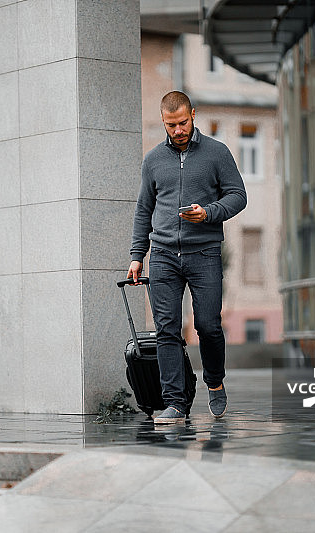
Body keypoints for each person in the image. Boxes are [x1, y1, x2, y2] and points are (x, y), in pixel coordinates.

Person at [127, 91, 246, 424]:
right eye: (170, 124)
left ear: (192, 115)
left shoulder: (216, 153)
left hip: (204, 253)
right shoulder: (152, 160)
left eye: (182, 122)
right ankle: (175, 402)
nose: (177, 130)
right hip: (163, 255)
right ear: (163, 121)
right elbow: (143, 209)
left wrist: (208, 213)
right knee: (167, 330)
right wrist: (138, 255)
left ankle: (215, 381)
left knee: (208, 326)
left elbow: (238, 196)